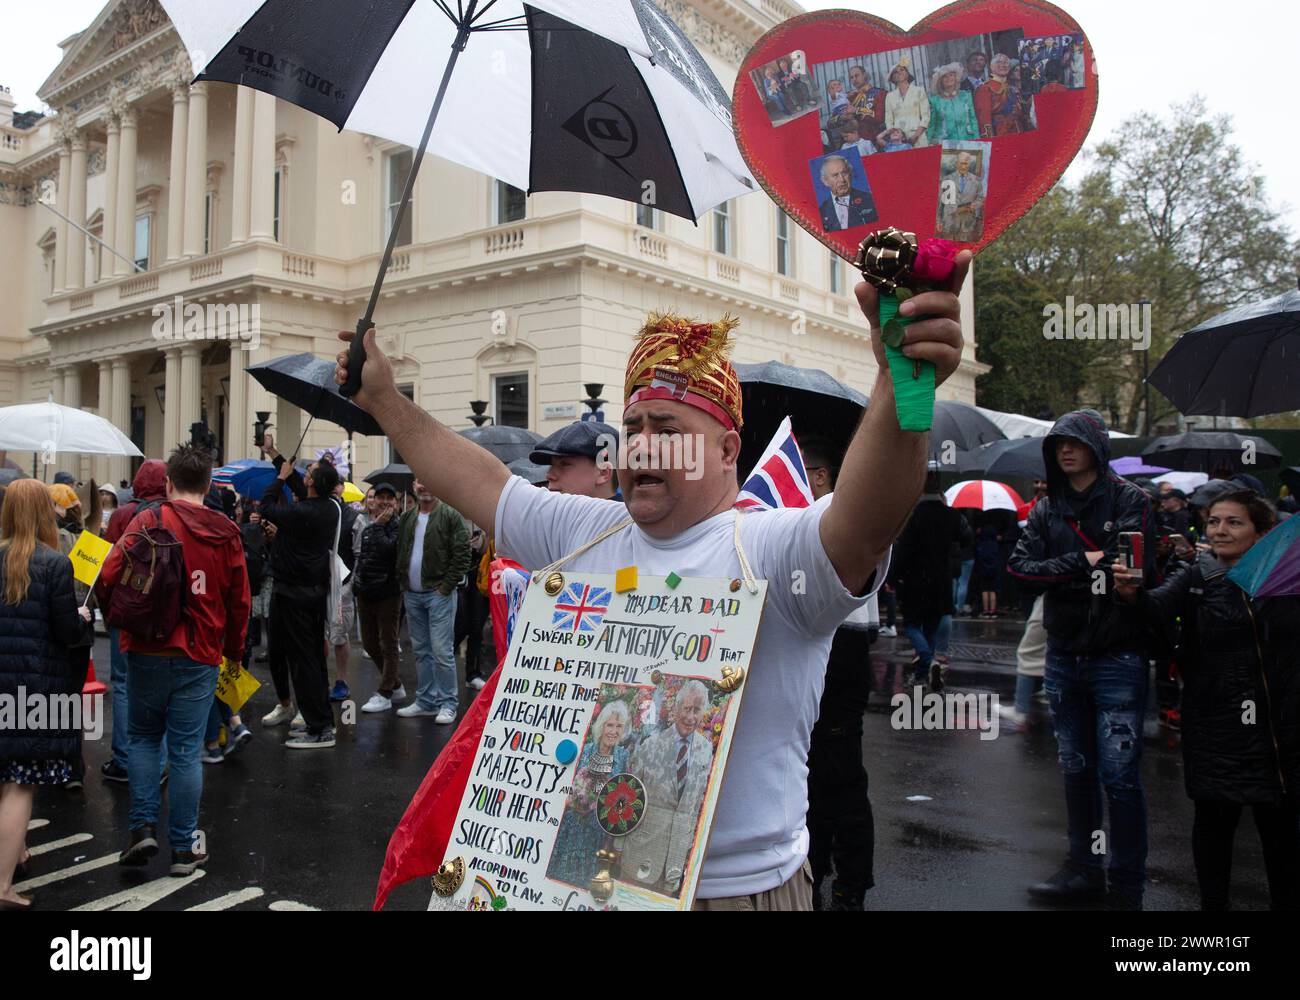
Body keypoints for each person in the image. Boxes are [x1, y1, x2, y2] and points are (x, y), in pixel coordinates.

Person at [334, 242, 967, 907]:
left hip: (733, 893)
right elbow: (482, 481)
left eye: (665, 427)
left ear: (727, 450)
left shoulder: (772, 550)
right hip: (581, 881)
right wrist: (384, 401)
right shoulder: (589, 532)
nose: (639, 445)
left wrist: (902, 385)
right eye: (631, 426)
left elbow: (866, 519)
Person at [1115, 492, 1299, 910]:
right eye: (1215, 521)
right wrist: (1130, 594)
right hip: (1216, 725)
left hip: (1278, 730)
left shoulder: (1288, 579)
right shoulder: (1197, 575)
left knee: (1281, 835)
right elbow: (1153, 611)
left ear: (1261, 532)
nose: (1220, 530)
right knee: (1215, 827)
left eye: (1234, 523)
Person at [1008, 409, 1155, 910]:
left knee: (1119, 775)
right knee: (1075, 767)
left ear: (1095, 445)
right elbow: (1021, 571)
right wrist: (1080, 563)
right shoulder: (1047, 510)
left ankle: (1127, 886)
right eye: (1057, 444)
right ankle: (1083, 868)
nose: (1065, 451)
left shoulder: (1130, 500)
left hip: (1118, 653)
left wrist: (1083, 570)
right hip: (1064, 651)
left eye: (1074, 442)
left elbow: (1130, 567)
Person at [98, 444, 250, 875]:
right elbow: (239, 600)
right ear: (207, 485)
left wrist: (119, 618)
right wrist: (234, 654)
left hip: (146, 645)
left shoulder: (149, 519)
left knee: (145, 739)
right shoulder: (225, 531)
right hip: (200, 653)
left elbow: (108, 574)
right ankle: (183, 849)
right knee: (185, 750)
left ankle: (142, 827)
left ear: (168, 483)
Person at [801, 436, 877, 910]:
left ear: (822, 475)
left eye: (800, 469)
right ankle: (822, 867)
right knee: (818, 772)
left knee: (839, 771)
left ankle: (850, 882)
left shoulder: (832, 513)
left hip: (842, 645)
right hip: (834, 642)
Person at [0, 480, 82, 909]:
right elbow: (68, 632)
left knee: (3, 778)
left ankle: (18, 852)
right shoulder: (55, 564)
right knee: (20, 784)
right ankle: (2, 886)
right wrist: (83, 617)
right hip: (35, 689)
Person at [257, 434, 339, 749]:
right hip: (304, 594)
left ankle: (318, 729)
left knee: (304, 662)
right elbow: (295, 482)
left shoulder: (306, 512)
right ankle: (320, 723)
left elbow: (266, 506)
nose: (303, 474)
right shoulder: (325, 506)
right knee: (310, 660)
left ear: (315, 483)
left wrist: (277, 478)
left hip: (298, 595)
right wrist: (275, 454)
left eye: (309, 473)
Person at [101, 459, 169, 786]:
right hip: (164, 616)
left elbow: (105, 571)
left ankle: (124, 758)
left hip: (125, 613)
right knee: (163, 689)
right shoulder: (175, 514)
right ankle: (161, 761)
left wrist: (108, 609)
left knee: (124, 683)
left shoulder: (121, 516)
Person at [620, 680, 714, 896]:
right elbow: (628, 795)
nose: (690, 717)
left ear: (703, 713)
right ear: (675, 708)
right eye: (686, 708)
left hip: (676, 863)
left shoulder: (706, 750)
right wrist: (617, 845)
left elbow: (699, 804)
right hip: (640, 854)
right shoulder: (651, 745)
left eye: (697, 710)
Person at [395, 478, 471, 723]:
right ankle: (426, 701)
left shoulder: (450, 515)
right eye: (420, 481)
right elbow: (401, 551)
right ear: (414, 485)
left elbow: (463, 554)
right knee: (421, 651)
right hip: (413, 594)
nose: (425, 485)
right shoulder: (407, 518)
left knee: (441, 651)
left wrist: (446, 587)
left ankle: (448, 703)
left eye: (430, 479)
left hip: (438, 595)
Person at [893, 470, 967, 689]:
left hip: (916, 580)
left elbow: (903, 551)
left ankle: (927, 660)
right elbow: (965, 537)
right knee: (932, 627)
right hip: (942, 580)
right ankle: (922, 675)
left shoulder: (913, 516)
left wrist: (893, 577)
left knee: (912, 624)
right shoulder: (952, 515)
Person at [546, 699, 631, 888]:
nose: (613, 731)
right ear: (601, 726)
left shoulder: (623, 757)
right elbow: (563, 786)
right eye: (610, 725)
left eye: (618, 726)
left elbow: (623, 801)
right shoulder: (584, 750)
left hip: (598, 836)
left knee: (583, 888)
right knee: (557, 882)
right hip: (571, 829)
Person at [50, 484, 96, 788]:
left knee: (48, 700)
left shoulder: (47, 541)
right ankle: (72, 768)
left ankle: (53, 763)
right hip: (80, 633)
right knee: (70, 700)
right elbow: (91, 593)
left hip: (51, 633)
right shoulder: (89, 542)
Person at [355, 483, 406, 712]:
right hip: (366, 592)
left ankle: (385, 692)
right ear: (372, 501)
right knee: (369, 643)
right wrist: (358, 585)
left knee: (388, 643)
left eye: (389, 498)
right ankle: (395, 683)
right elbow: (363, 558)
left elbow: (388, 549)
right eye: (379, 497)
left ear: (395, 503)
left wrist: (378, 527)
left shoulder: (397, 526)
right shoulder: (370, 526)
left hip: (388, 593)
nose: (384, 502)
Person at [327, 471, 358, 702]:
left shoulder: (352, 516)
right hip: (320, 583)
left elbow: (358, 553)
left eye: (337, 484)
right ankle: (322, 679)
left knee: (339, 634)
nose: (334, 488)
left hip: (343, 585)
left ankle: (342, 680)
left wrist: (350, 584)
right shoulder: (320, 511)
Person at [531, 420, 621, 500]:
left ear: (603, 472)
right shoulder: (552, 515)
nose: (549, 476)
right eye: (551, 464)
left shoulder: (626, 518)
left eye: (564, 464)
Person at [817, 154, 878, 232]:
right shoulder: (822, 212)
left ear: (850, 174)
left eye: (844, 173)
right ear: (825, 181)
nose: (842, 180)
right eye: (835, 175)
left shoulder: (870, 200)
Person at [974, 53, 1028, 137]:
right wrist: (989, 138)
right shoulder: (985, 88)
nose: (1003, 65)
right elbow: (984, 119)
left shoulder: (1012, 88)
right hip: (1000, 134)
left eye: (1006, 63)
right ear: (992, 67)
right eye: (999, 62)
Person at [937, 150, 985, 242]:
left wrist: (973, 206)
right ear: (957, 163)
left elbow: (980, 198)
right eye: (961, 163)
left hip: (967, 223)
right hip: (949, 222)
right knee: (947, 248)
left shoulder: (976, 180)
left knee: (963, 249)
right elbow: (940, 202)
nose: (963, 166)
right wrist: (938, 221)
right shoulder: (947, 179)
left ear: (969, 164)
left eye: (966, 164)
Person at [881, 58, 929, 150]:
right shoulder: (890, 96)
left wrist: (915, 136)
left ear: (907, 73)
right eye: (895, 72)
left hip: (918, 136)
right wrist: (895, 138)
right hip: (898, 140)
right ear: (892, 78)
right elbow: (889, 120)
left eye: (902, 69)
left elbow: (925, 116)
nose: (899, 72)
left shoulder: (919, 90)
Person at [928, 63, 978, 142]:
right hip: (945, 143)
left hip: (967, 140)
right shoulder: (934, 101)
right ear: (940, 81)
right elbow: (931, 124)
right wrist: (929, 142)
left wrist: (977, 139)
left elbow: (973, 119)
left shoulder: (966, 95)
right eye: (945, 76)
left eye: (951, 75)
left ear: (956, 78)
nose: (948, 78)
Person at [844, 64, 886, 145]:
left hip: (873, 141)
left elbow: (879, 118)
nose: (854, 79)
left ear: (864, 75)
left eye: (857, 75)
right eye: (851, 77)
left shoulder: (880, 93)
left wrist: (857, 111)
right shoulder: (849, 97)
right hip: (852, 142)